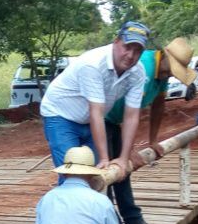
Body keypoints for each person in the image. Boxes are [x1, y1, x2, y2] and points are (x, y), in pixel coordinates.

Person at [105, 38, 197, 224]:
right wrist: (127, 151)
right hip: (101, 118)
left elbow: (159, 105)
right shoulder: (144, 69)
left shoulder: (161, 73)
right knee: (108, 173)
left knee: (123, 172)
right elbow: (129, 111)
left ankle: (133, 222)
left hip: (115, 120)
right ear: (163, 56)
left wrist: (153, 140)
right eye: (172, 68)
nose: (172, 74)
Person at [39, 21, 149, 182]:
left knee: (96, 176)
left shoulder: (137, 71)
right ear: (116, 42)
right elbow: (96, 113)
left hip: (90, 120)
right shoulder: (93, 64)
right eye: (127, 47)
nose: (131, 55)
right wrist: (104, 159)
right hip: (60, 114)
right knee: (73, 174)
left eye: (137, 51)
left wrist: (124, 158)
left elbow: (131, 116)